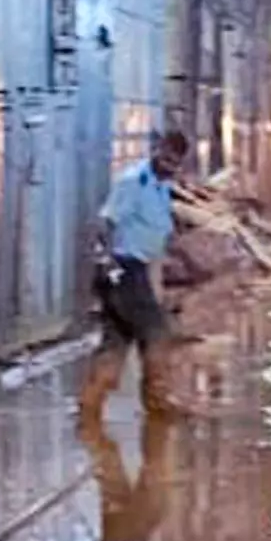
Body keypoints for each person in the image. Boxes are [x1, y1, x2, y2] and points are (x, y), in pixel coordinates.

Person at [80, 128, 195, 422]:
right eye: (166, 158)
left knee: (117, 340)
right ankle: (157, 400)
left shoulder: (160, 186)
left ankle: (90, 405)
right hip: (122, 269)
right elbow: (105, 222)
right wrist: (105, 261)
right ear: (156, 149)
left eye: (175, 164)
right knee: (156, 332)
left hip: (138, 269)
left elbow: (157, 230)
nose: (169, 167)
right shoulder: (134, 182)